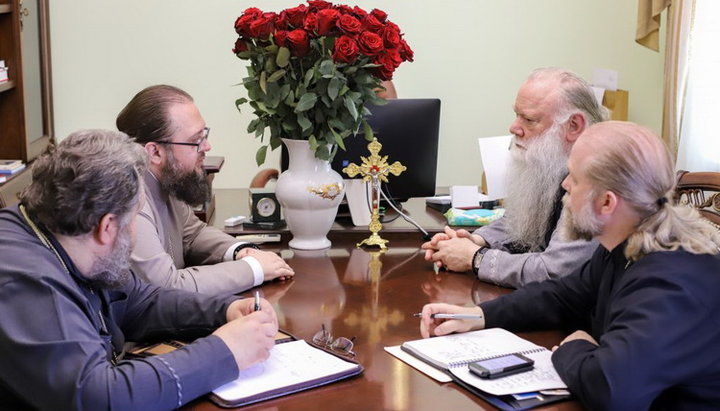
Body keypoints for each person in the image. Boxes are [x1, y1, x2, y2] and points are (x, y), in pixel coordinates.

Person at [420, 122, 720, 410]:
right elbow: (562, 295)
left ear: (607, 203)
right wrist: (478, 316)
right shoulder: (629, 241)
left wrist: (574, 348)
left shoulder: (672, 283)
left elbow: (612, 391)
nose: (564, 186)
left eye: (574, 179)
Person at [0, 130, 280, 409]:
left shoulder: (67, 234)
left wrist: (225, 310)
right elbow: (100, 398)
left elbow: (138, 301)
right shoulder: (23, 282)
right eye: (135, 217)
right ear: (107, 227)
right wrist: (225, 352)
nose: (136, 232)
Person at [422, 67, 607, 287]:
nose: (514, 128)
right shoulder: (555, 161)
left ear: (573, 126)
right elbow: (521, 223)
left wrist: (475, 257)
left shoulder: (596, 179)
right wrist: (474, 240)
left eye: (529, 119)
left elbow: (555, 271)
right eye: (516, 115)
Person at [116, 85, 294, 295]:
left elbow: (193, 234)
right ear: (155, 152)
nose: (207, 146)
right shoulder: (128, 201)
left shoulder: (166, 178)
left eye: (204, 135)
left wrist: (241, 251)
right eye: (196, 141)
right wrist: (253, 269)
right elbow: (166, 287)